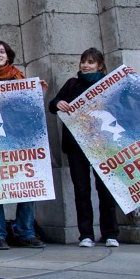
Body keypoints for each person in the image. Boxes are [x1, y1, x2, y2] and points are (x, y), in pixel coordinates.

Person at [0, 40, 48, 250]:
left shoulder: (21, 79)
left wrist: (38, 94)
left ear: (9, 56)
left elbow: (30, 112)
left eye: (2, 51)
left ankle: (26, 233)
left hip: (19, 142)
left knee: (27, 186)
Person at [48, 48, 121, 248]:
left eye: (90, 62)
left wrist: (129, 78)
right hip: (77, 146)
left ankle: (110, 233)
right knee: (81, 190)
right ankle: (86, 234)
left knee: (105, 189)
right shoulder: (72, 84)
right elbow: (53, 105)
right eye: (83, 61)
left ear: (100, 66)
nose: (85, 65)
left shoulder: (109, 84)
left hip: (103, 145)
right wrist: (59, 103)